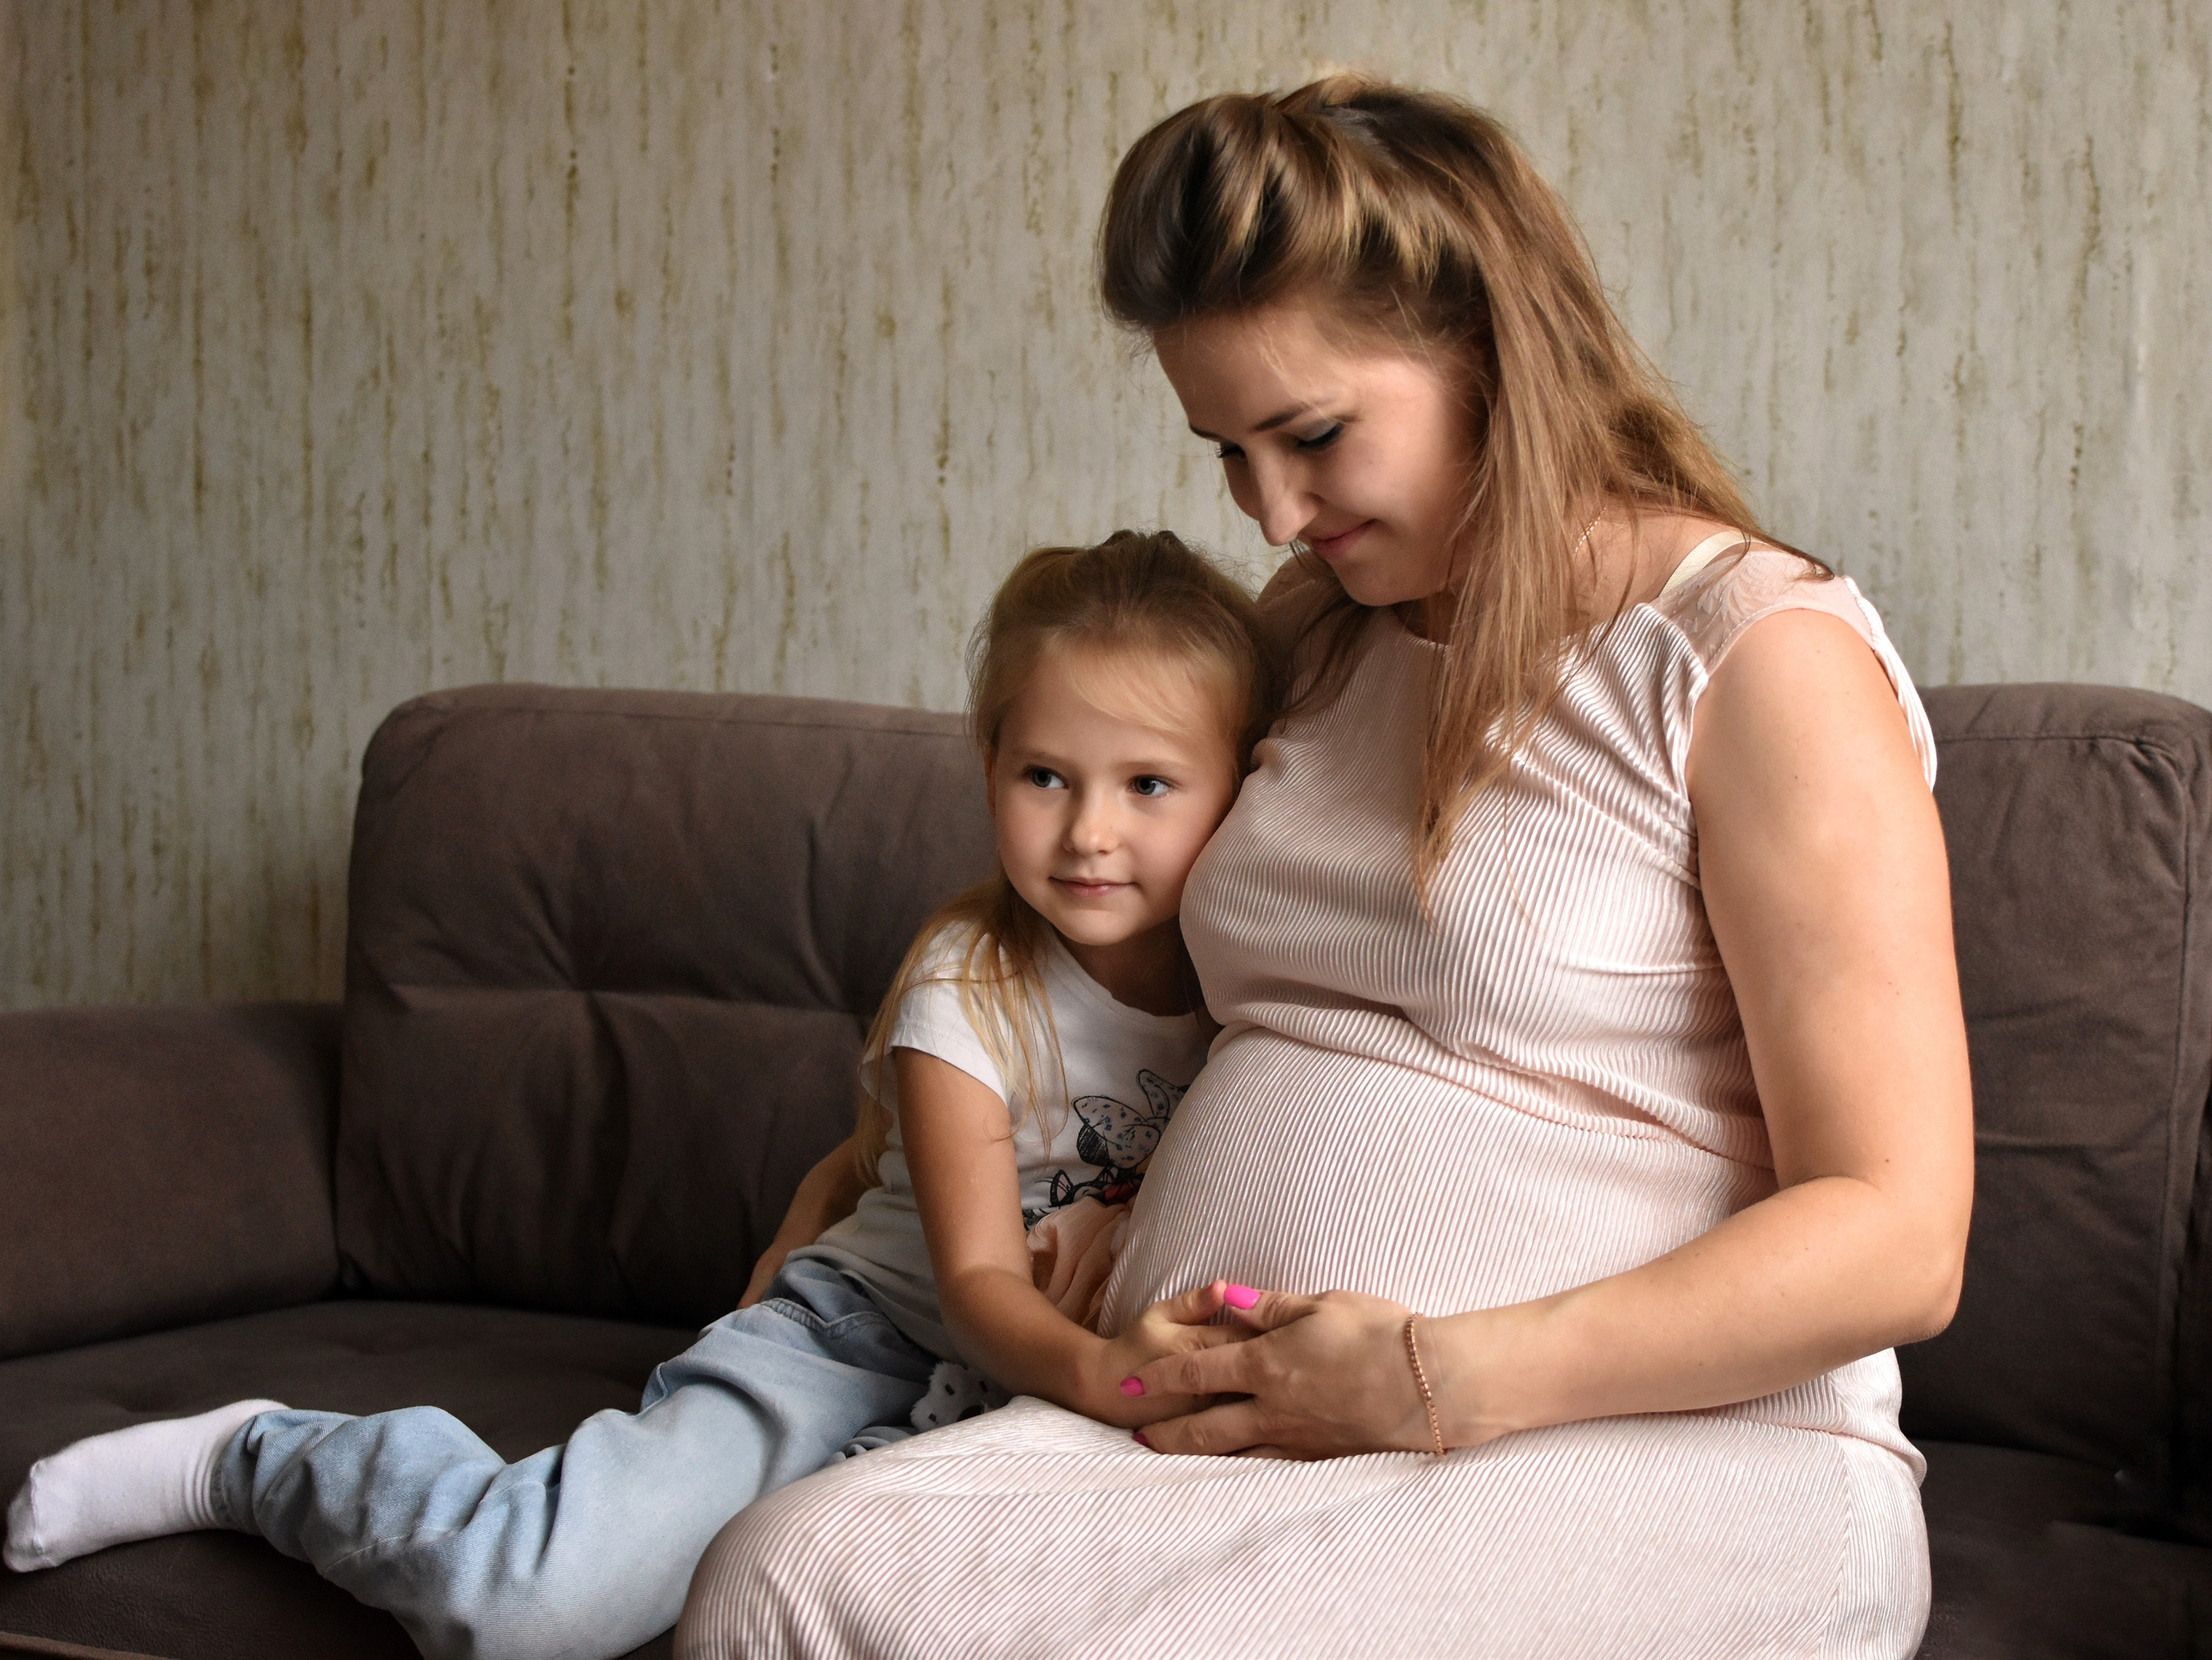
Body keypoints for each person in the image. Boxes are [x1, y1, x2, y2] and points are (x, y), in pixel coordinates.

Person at [676, 78, 1974, 1659]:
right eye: (1227, 451)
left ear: (1491, 349)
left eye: (1311, 436)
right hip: (1244, 1421)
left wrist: (1432, 1375)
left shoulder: (1752, 657)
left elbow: (1900, 1231)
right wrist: (900, 1170)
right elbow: (1096, 963)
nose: (1274, 512)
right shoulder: (1316, 632)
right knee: (778, 1576)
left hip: (1660, 1448)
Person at [2, 529, 1277, 1660]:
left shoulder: (1263, 994)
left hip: (1016, 1401)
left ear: (1244, 788)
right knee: (526, 1604)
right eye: (1045, 774)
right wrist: (1108, 1373)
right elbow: (979, 1285)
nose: (1089, 831)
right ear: (989, 762)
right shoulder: (968, 985)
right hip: (861, 1342)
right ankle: (257, 1458)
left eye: (1148, 784)